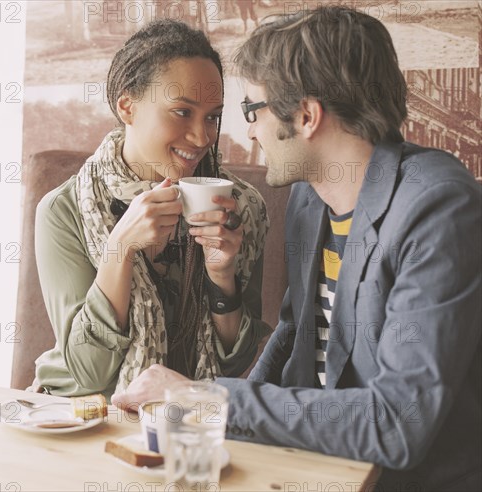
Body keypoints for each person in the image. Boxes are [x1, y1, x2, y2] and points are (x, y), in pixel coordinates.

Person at [112, 7, 482, 491]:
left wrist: (209, 398)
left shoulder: (438, 207)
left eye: (252, 111)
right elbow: (292, 336)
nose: (248, 132)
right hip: (317, 470)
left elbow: (398, 424)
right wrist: (220, 428)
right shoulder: (310, 196)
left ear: (306, 116)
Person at [31, 19, 271, 399]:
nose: (203, 137)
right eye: (182, 112)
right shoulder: (65, 211)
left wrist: (222, 274)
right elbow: (87, 372)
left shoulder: (241, 209)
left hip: (187, 418)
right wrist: (120, 249)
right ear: (127, 106)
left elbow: (235, 363)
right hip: (84, 418)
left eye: (212, 116)